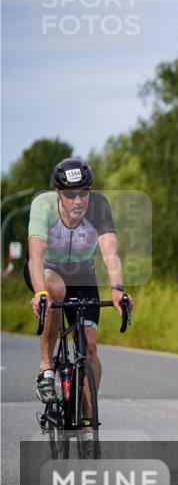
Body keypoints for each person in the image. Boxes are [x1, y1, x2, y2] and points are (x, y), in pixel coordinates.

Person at [25, 158, 126, 423]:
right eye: (70, 194)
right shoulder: (42, 205)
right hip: (47, 270)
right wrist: (40, 293)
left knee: (90, 346)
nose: (78, 200)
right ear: (58, 193)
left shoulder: (99, 206)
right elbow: (35, 257)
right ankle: (46, 366)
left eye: (84, 192)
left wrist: (117, 289)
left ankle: (89, 416)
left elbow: (110, 252)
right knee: (54, 289)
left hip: (81, 272)